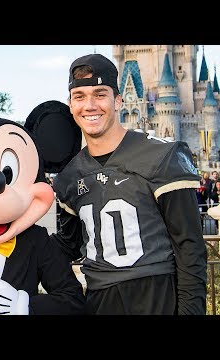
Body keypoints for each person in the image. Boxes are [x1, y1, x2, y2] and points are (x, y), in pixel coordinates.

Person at [50, 53, 207, 315]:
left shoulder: (162, 157)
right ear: (70, 105)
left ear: (118, 101)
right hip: (100, 302)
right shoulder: (69, 177)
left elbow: (190, 247)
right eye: (80, 96)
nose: (89, 105)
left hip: (159, 298)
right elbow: (66, 245)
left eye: (100, 94)